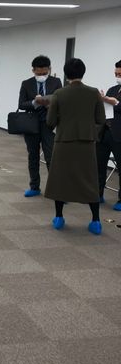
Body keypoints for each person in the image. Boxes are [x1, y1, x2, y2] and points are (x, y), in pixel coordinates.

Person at [45, 58, 105, 234]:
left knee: (60, 179)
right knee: (89, 180)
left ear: (66, 74)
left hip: (64, 142)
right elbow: (100, 119)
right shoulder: (94, 93)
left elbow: (50, 122)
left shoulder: (59, 94)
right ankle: (95, 221)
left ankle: (59, 218)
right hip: (86, 143)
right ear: (83, 72)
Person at [18, 55, 62, 197]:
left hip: (49, 124)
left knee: (51, 157)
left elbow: (60, 102)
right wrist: (34, 102)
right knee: (33, 156)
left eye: (44, 73)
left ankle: (56, 189)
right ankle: (34, 186)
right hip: (31, 124)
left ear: (49, 69)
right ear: (33, 70)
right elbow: (21, 104)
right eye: (39, 73)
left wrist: (48, 103)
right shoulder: (26, 83)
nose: (42, 75)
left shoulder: (56, 82)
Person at [97, 60, 121, 210]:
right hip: (105, 132)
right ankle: (98, 193)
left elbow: (116, 105)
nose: (117, 77)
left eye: (120, 74)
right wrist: (102, 100)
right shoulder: (113, 89)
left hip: (119, 135)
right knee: (99, 165)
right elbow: (106, 107)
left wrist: (115, 103)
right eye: (116, 74)